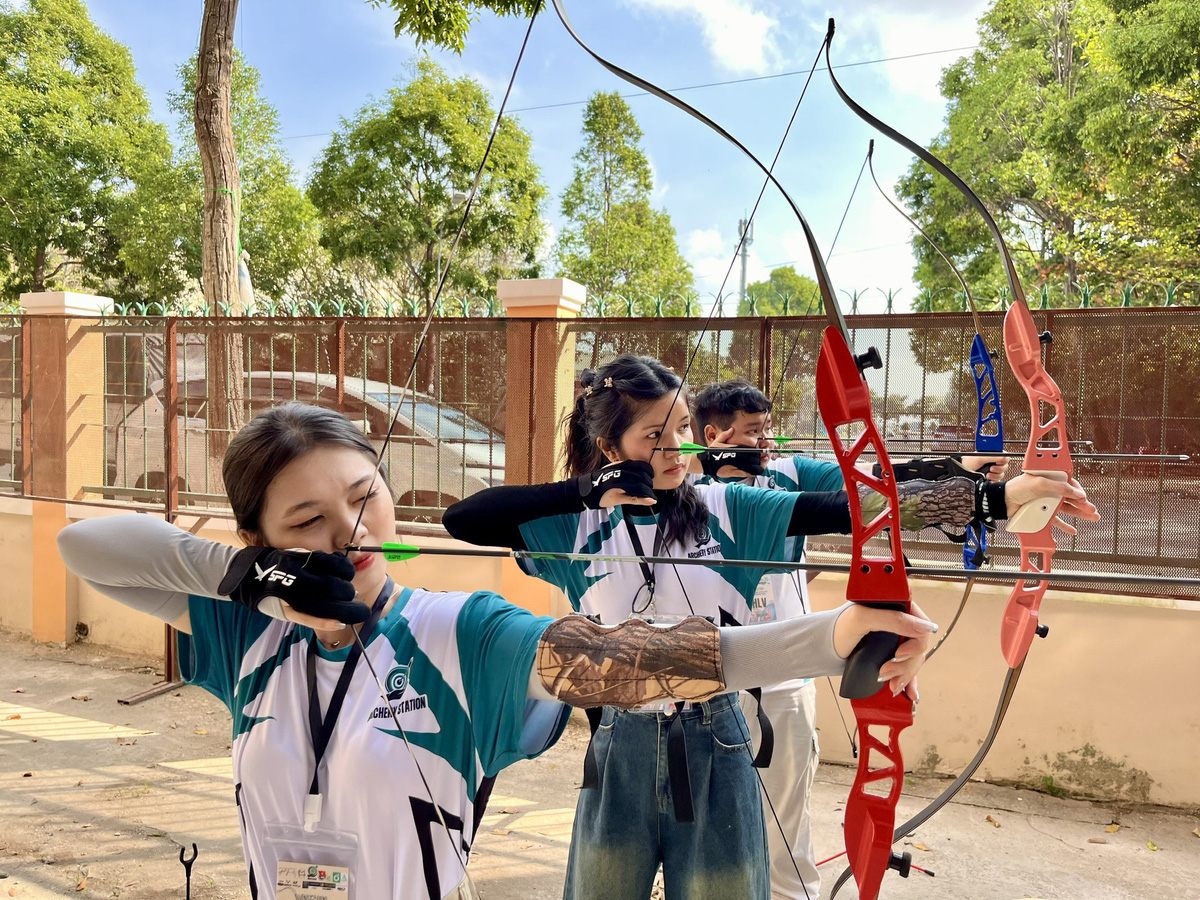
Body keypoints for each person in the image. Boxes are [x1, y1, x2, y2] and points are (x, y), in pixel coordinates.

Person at [56, 402, 940, 900]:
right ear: (261, 535)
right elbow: (87, 547)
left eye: (364, 497)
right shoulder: (244, 631)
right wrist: (250, 578)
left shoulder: (457, 630)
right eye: (306, 521)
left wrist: (831, 639)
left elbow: (622, 660)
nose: (352, 532)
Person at [442, 355, 1092, 900]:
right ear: (611, 448)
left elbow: (851, 507)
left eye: (682, 429)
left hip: (719, 733)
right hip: (619, 739)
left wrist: (999, 500)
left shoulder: (728, 506)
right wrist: (585, 491)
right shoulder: (575, 525)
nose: (676, 450)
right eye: (653, 438)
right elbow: (464, 520)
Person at [688, 379, 1031, 899]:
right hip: (710, 677)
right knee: (704, 821)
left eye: (769, 430)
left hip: (785, 673)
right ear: (714, 435)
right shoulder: (679, 490)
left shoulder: (787, 474)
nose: (768, 442)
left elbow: (872, 486)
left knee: (785, 824)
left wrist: (961, 472)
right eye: (755, 432)